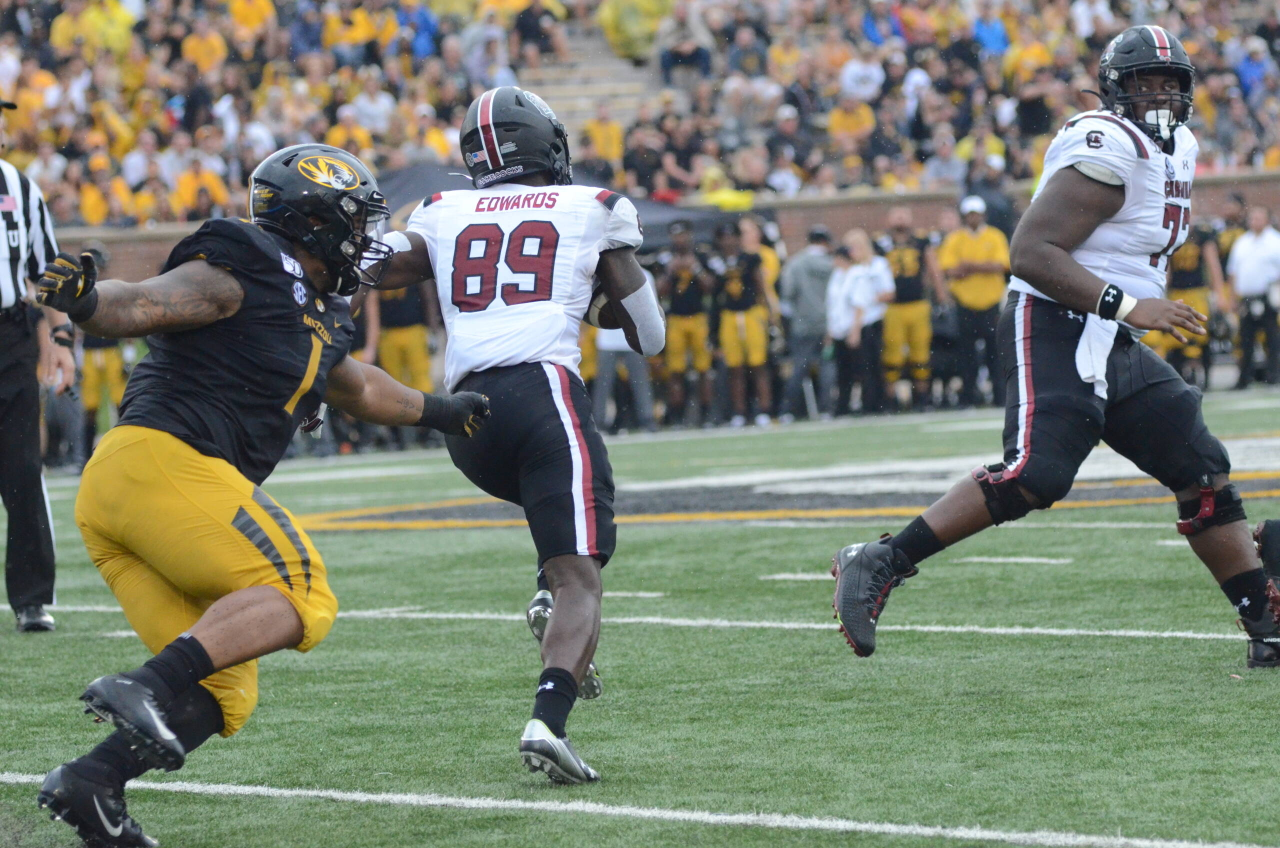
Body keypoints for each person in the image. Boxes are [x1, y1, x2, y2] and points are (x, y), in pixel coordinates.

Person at [34, 144, 489, 846]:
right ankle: (144, 686)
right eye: (353, 221)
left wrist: (439, 409)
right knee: (301, 590)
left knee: (224, 690)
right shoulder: (246, 264)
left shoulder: (321, 311)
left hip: (128, 497)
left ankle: (93, 783)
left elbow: (357, 387)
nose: (364, 239)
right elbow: (150, 301)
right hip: (165, 460)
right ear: (312, 222)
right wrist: (90, 302)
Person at [830, 27, 1280, 673]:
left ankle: (1265, 621)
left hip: (1114, 333)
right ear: (1114, 90)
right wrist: (1129, 305)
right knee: (1036, 475)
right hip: (1057, 317)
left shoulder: (1181, 142)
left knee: (1202, 471)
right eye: (1143, 81)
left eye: (1169, 82)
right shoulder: (1107, 142)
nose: (1157, 94)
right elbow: (1032, 252)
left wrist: (1128, 315)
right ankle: (879, 561)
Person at [374, 87, 664, 784]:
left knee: (577, 538)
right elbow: (650, 336)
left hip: (466, 417)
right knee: (582, 573)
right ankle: (549, 720)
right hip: (542, 394)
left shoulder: (441, 210)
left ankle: (545, 592)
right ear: (545, 143)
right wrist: (595, 301)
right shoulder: (593, 206)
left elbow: (372, 266)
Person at [0, 96, 72, 633]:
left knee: (23, 466)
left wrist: (62, 334)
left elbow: (48, 268)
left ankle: (31, 597)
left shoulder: (20, 188)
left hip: (11, 334)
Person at [937, 195, 1010, 406]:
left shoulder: (994, 236)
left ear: (983, 215)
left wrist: (969, 266)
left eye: (976, 214)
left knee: (995, 353)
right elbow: (950, 270)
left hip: (990, 303)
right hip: (965, 304)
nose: (973, 218)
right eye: (969, 215)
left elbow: (1002, 265)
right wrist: (983, 266)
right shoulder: (955, 239)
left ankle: (999, 397)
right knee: (966, 354)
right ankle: (968, 397)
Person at [1143, 218, 1226, 389]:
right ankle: (1182, 376)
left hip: (1197, 292)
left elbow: (1213, 265)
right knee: (1176, 339)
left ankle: (1204, 378)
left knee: (1199, 337)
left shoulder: (1203, 233)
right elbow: (1167, 270)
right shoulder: (1170, 232)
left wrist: (1219, 294)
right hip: (1177, 292)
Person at [877, 207, 942, 412]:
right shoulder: (880, 243)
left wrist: (942, 296)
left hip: (917, 304)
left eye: (904, 214)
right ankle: (890, 401)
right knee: (892, 355)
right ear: (888, 218)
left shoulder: (922, 242)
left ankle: (922, 398)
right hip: (892, 307)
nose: (900, 218)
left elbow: (933, 269)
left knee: (920, 353)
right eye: (896, 214)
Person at [709, 222, 771, 427]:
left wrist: (770, 315)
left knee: (758, 365)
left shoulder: (751, 258)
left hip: (750, 313)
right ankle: (739, 411)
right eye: (723, 237)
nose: (727, 241)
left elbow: (760, 286)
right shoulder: (716, 262)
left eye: (731, 236)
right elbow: (713, 293)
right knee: (735, 368)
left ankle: (763, 409)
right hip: (728, 315)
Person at [656, 221, 714, 426]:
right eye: (676, 235)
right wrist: (670, 271)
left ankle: (707, 415)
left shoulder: (702, 255)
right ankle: (677, 416)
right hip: (675, 318)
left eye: (683, 235)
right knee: (675, 370)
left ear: (690, 235)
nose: (679, 239)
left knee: (703, 369)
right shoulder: (665, 257)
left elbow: (711, 287)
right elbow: (659, 290)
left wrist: (696, 269)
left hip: (698, 317)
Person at [779, 226, 835, 421]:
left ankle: (789, 411)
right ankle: (826, 409)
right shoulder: (833, 264)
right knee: (827, 366)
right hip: (829, 325)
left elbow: (788, 293)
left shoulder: (795, 264)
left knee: (799, 368)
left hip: (803, 324)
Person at [1226, 206, 1280, 389]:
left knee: (1272, 337)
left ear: (1267, 219)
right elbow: (1233, 272)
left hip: (1269, 296)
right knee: (1246, 339)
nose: (1255, 221)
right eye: (1253, 218)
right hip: (1247, 297)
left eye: (1259, 218)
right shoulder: (1242, 241)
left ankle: (1274, 375)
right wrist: (1232, 297)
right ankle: (1244, 378)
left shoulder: (1275, 241)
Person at [842, 229, 895, 414]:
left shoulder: (878, 265)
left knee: (875, 364)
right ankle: (870, 402)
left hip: (874, 320)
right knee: (864, 366)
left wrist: (871, 298)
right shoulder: (853, 270)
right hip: (859, 323)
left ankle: (880, 403)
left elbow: (887, 293)